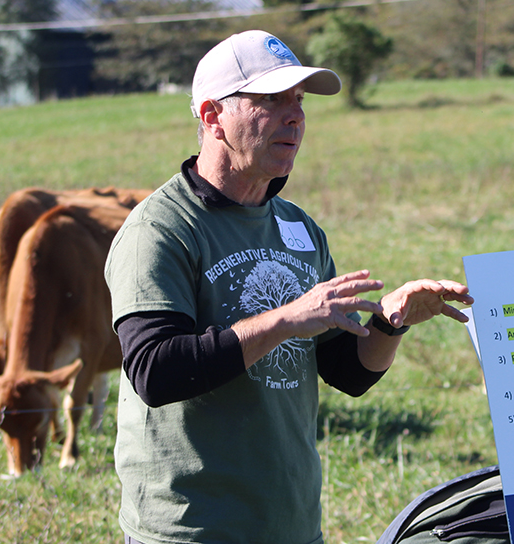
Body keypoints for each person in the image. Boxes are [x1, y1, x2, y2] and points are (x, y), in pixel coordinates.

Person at [104, 29, 474, 544]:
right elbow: (154, 370)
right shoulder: (160, 229)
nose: (294, 117)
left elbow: (346, 370)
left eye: (298, 101)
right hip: (192, 528)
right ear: (212, 117)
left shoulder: (298, 230)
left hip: (290, 524)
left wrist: (390, 321)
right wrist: (286, 318)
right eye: (270, 101)